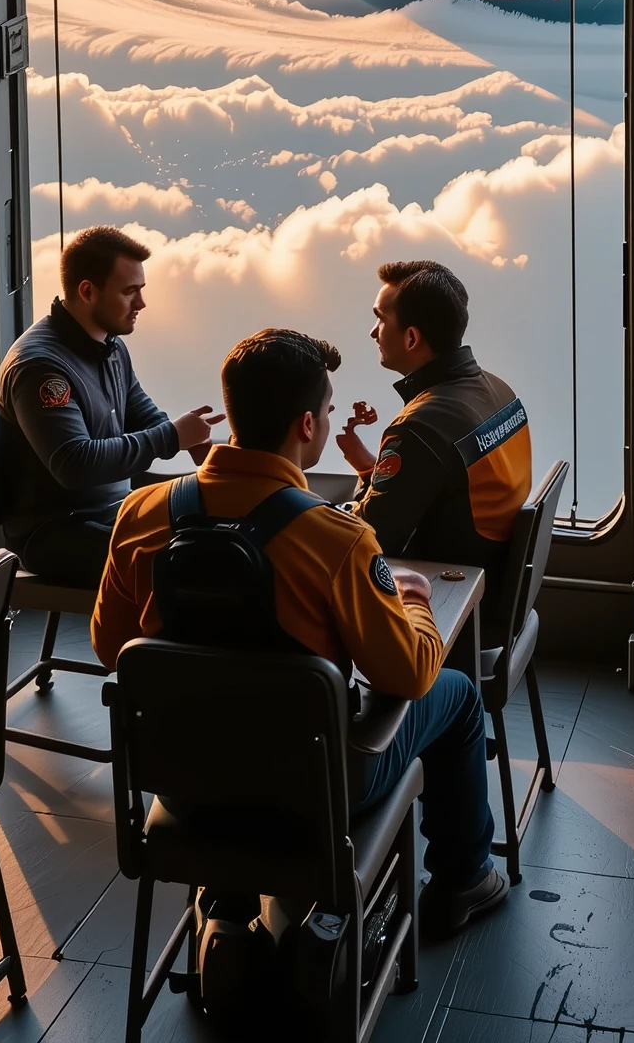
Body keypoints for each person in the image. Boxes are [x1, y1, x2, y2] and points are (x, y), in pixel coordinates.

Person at [91, 328, 513, 940]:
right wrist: (413, 601)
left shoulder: (139, 514)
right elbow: (408, 674)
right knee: (456, 693)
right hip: (312, 794)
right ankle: (465, 878)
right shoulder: (336, 540)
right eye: (328, 410)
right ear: (308, 425)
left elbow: (112, 649)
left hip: (184, 783)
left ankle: (229, 896)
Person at [0, 226, 217, 586]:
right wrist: (170, 437)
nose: (141, 303)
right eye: (130, 292)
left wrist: (191, 441)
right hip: (56, 532)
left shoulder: (110, 346)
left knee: (219, 525)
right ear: (87, 291)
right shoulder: (40, 368)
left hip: (111, 510)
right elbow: (75, 465)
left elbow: (140, 411)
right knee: (194, 560)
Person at [334, 260, 533, 582]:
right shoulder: (499, 390)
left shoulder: (419, 428)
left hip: (442, 588)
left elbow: (368, 539)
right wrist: (367, 469)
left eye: (380, 320)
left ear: (412, 338)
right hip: (486, 577)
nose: (373, 332)